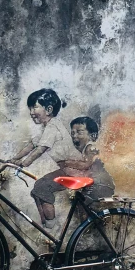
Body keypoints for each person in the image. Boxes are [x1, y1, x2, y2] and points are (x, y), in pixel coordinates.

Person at [12, 88, 81, 229]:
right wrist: (12, 160)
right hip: (67, 169)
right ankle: (46, 226)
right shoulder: (46, 128)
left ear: (48, 109)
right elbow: (31, 145)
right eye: (30, 108)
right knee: (38, 188)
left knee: (42, 187)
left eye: (35, 107)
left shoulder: (53, 127)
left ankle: (52, 228)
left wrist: (23, 163)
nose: (31, 113)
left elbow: (40, 149)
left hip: (75, 170)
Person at [63, 116, 115, 203]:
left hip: (100, 185)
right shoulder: (84, 149)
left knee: (80, 203)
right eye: (72, 133)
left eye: (79, 132)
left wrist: (65, 163)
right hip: (95, 183)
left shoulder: (90, 147)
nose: (74, 136)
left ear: (92, 135)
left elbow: (86, 165)